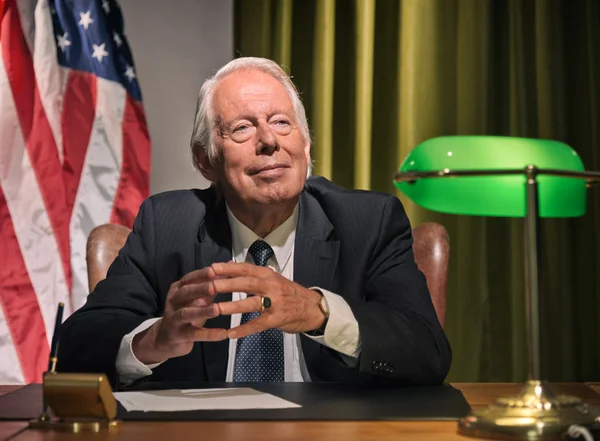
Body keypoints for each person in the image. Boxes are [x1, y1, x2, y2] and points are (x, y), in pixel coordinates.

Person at [58, 57, 451, 388]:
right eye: (243, 127)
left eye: (282, 123)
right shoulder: (167, 224)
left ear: (306, 146)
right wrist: (154, 339)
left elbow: (427, 351)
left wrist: (318, 312)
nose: (269, 140)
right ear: (205, 160)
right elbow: (78, 349)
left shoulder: (368, 221)